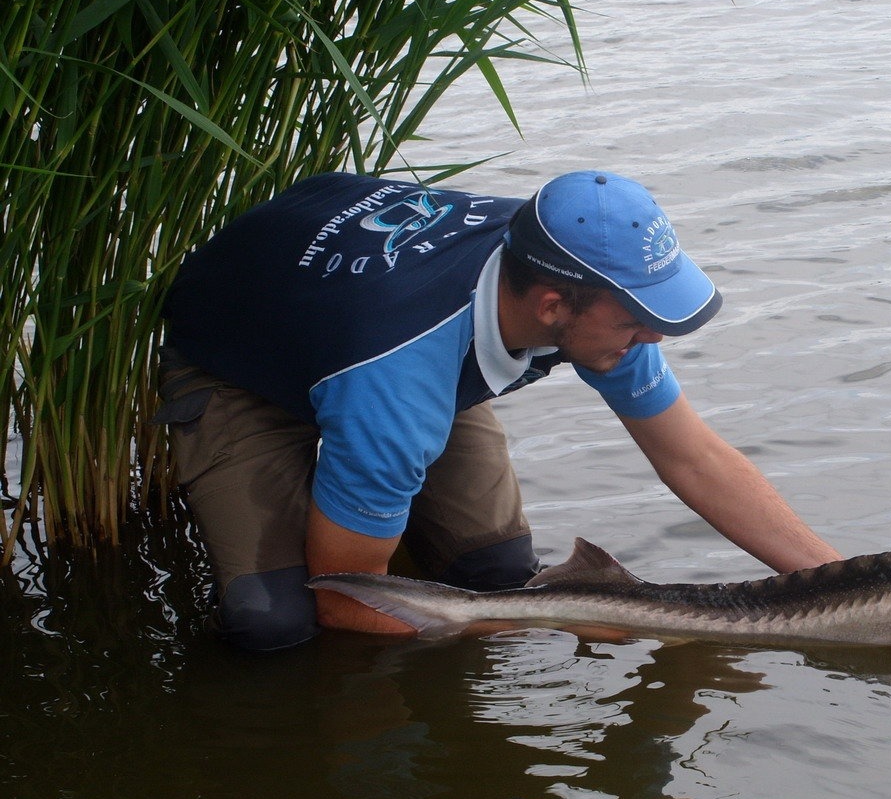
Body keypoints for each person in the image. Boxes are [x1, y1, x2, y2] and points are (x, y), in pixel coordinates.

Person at [157, 170, 842, 651]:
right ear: (552, 306)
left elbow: (694, 458)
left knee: (496, 569)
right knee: (278, 623)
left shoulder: (578, 269)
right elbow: (347, 599)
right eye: (639, 318)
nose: (654, 336)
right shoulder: (398, 383)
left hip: (358, 321)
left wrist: (843, 590)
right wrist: (557, 620)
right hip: (239, 366)